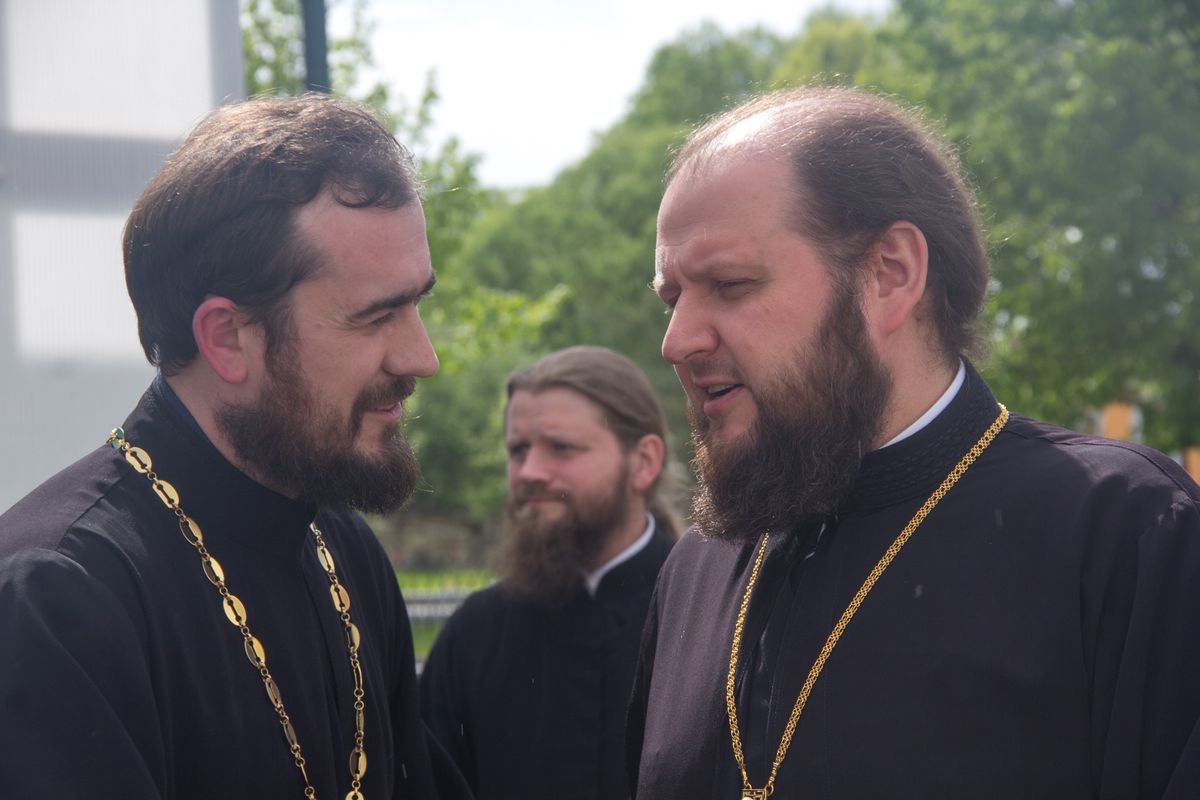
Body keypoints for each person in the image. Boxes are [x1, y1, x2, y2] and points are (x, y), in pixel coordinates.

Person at [627, 86, 1200, 799]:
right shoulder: (695, 570)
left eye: (730, 284)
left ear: (889, 274)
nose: (677, 340)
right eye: (672, 298)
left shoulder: (1125, 531)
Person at [0, 94, 470, 799]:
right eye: (376, 317)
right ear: (227, 338)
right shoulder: (56, 596)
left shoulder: (344, 548)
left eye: (416, 303)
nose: (421, 358)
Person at [421, 345, 679, 799]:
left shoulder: (710, 621)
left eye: (561, 448)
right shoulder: (474, 635)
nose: (530, 471)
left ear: (643, 463)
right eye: (518, 450)